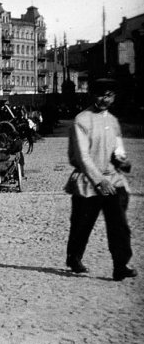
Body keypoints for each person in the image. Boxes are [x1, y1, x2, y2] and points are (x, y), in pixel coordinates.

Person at [65, 78, 136, 281]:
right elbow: (82, 156)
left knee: (119, 224)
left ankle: (120, 265)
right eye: (101, 94)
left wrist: (122, 161)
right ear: (92, 95)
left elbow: (117, 150)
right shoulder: (82, 120)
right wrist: (98, 180)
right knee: (82, 224)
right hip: (88, 180)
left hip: (113, 179)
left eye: (109, 95)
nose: (105, 99)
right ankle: (74, 257)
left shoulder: (113, 121)